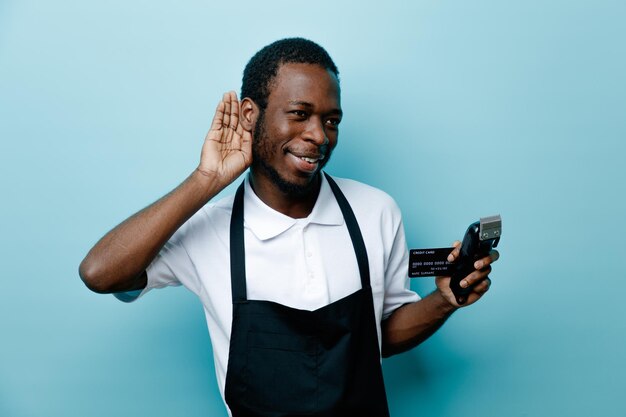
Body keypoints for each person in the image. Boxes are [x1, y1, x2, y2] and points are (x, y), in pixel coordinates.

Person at [79, 37, 499, 417]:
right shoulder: (207, 229)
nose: (319, 135)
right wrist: (206, 180)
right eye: (300, 114)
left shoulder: (376, 211)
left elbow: (377, 337)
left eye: (331, 120)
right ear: (250, 114)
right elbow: (100, 273)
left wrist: (444, 301)